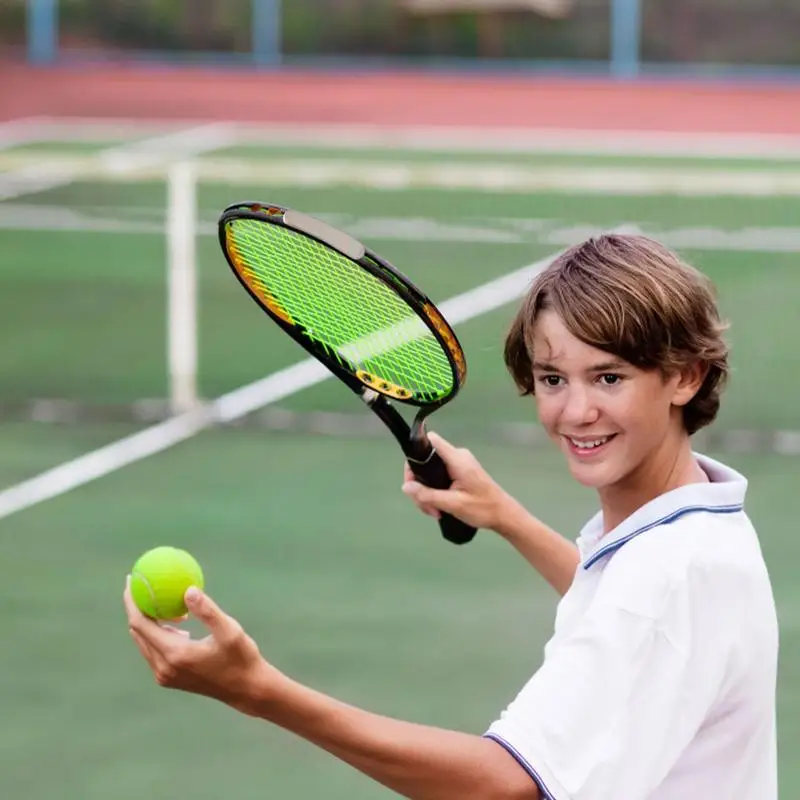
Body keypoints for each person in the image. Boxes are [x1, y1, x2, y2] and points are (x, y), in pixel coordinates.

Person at [123, 233, 779, 800]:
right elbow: (619, 609)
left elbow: (502, 783)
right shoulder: (697, 526)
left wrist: (259, 691)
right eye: (553, 379)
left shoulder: (663, 578)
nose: (575, 412)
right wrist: (507, 517)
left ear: (686, 377)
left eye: (609, 378)